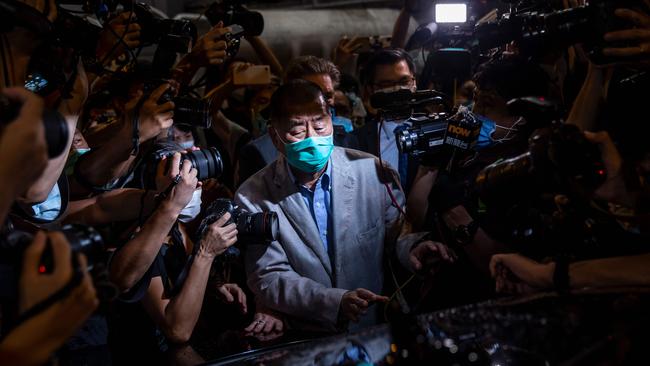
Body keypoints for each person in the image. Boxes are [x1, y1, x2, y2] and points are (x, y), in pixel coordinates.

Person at [235, 80, 453, 333]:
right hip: (306, 335)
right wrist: (334, 301)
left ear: (331, 121)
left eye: (318, 125)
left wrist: (414, 248)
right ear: (274, 136)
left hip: (371, 326)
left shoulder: (372, 172)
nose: (311, 138)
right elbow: (268, 276)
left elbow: (397, 234)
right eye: (297, 131)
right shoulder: (252, 196)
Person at [237, 55, 358, 186]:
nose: (321, 102)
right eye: (311, 94)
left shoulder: (349, 141)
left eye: (327, 96)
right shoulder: (258, 151)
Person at [354, 48, 419, 191]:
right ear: (371, 90)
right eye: (386, 84)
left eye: (404, 81)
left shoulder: (435, 129)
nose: (397, 89)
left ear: (414, 82)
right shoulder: (355, 142)